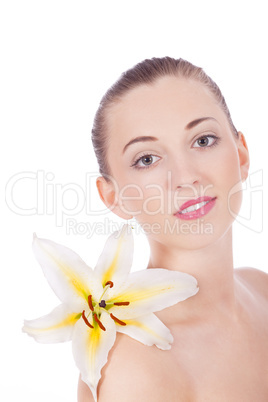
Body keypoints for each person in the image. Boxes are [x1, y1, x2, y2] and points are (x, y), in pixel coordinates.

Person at [78, 57, 268, 401]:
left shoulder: (263, 287)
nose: (186, 177)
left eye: (203, 140)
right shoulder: (131, 362)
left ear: (241, 155)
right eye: (147, 159)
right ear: (113, 196)